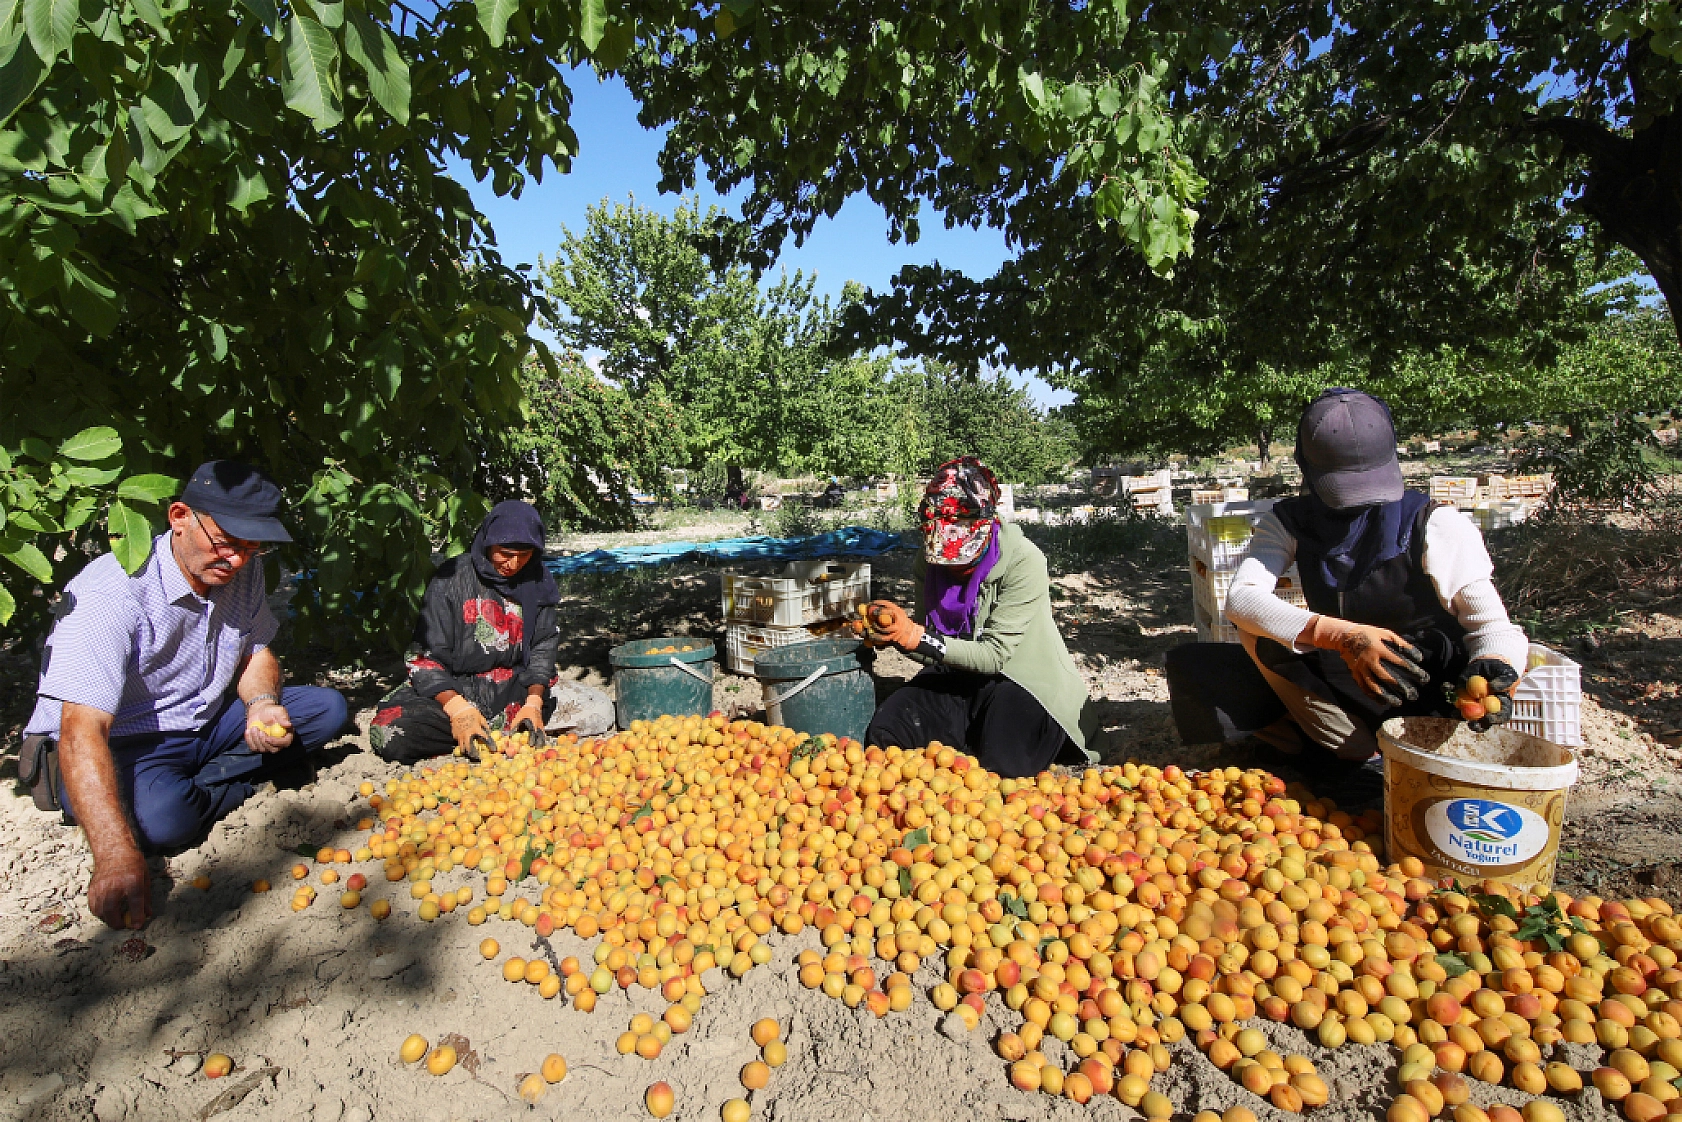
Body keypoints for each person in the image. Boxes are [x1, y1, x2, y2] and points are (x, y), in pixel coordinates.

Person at [18, 461, 349, 930]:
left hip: (202, 720)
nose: (236, 560)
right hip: (121, 743)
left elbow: (257, 652)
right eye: (226, 543)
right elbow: (81, 730)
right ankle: (224, 784)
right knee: (165, 821)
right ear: (179, 517)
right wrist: (113, 855)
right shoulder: (111, 594)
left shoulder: (241, 568)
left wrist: (260, 705)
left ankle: (202, 783)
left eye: (251, 549)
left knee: (326, 710)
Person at [1213, 388, 1530, 761]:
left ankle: (1402, 746)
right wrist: (1344, 637)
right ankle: (1361, 754)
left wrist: (1495, 664)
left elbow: (1493, 627)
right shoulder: (1289, 523)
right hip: (1348, 683)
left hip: (1427, 686)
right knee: (1239, 640)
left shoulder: (1434, 524)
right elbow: (1242, 599)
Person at [863, 457, 1096, 777]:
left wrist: (915, 637)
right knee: (888, 732)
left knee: (1002, 768)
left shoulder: (1024, 561)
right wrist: (896, 636)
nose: (953, 566)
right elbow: (932, 650)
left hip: (1021, 681)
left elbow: (994, 655)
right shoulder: (927, 562)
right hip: (959, 675)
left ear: (986, 528)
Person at [369, 501, 613, 762]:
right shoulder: (451, 580)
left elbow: (543, 648)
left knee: (599, 711)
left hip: (514, 691)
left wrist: (534, 702)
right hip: (455, 689)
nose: (514, 563)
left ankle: (504, 728)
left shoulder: (538, 581)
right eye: (505, 553)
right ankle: (486, 730)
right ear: (487, 543)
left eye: (525, 554)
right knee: (391, 733)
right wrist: (457, 709)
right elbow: (424, 658)